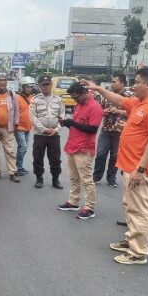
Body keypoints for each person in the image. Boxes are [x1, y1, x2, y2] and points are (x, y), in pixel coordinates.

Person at [83, 67, 148, 264]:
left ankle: (138, 253)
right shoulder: (141, 102)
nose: (133, 86)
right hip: (130, 166)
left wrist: (141, 169)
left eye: (137, 82)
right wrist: (98, 88)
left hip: (141, 169)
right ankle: (131, 239)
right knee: (130, 206)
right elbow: (119, 100)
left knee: (140, 210)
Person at [58, 82, 103, 220]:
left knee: (86, 180)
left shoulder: (95, 107)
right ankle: (73, 201)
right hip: (72, 145)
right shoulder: (78, 105)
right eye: (73, 98)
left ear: (85, 93)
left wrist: (72, 123)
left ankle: (89, 208)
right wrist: (67, 123)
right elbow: (78, 126)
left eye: (76, 97)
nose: (74, 100)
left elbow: (92, 129)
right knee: (73, 177)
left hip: (84, 148)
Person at [29, 75, 65, 189]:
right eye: (43, 85)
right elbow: (32, 117)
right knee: (38, 158)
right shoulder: (35, 100)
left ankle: (56, 179)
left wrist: (56, 129)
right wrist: (43, 129)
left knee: (55, 159)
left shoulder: (58, 100)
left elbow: (62, 117)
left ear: (51, 85)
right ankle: (39, 178)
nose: (46, 87)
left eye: (47, 84)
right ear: (40, 86)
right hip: (40, 134)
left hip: (54, 135)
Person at [93, 73, 128, 187]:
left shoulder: (129, 96)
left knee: (115, 156)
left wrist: (118, 111)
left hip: (120, 131)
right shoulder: (107, 95)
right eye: (111, 82)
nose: (112, 84)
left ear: (122, 83)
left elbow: (133, 112)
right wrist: (104, 111)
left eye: (114, 82)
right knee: (101, 153)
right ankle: (96, 176)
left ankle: (111, 178)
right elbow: (99, 109)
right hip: (106, 129)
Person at [0, 73, 20, 182]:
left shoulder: (12, 94)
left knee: (10, 151)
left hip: (8, 128)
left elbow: (16, 110)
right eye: (0, 80)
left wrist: (16, 122)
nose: (2, 82)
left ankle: (13, 172)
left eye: (4, 80)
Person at [15, 83, 33, 175]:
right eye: (27, 87)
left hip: (28, 127)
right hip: (19, 127)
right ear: (22, 87)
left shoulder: (32, 98)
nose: (29, 89)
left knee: (24, 148)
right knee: (23, 147)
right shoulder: (17, 98)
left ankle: (19, 166)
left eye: (30, 87)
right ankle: (18, 167)